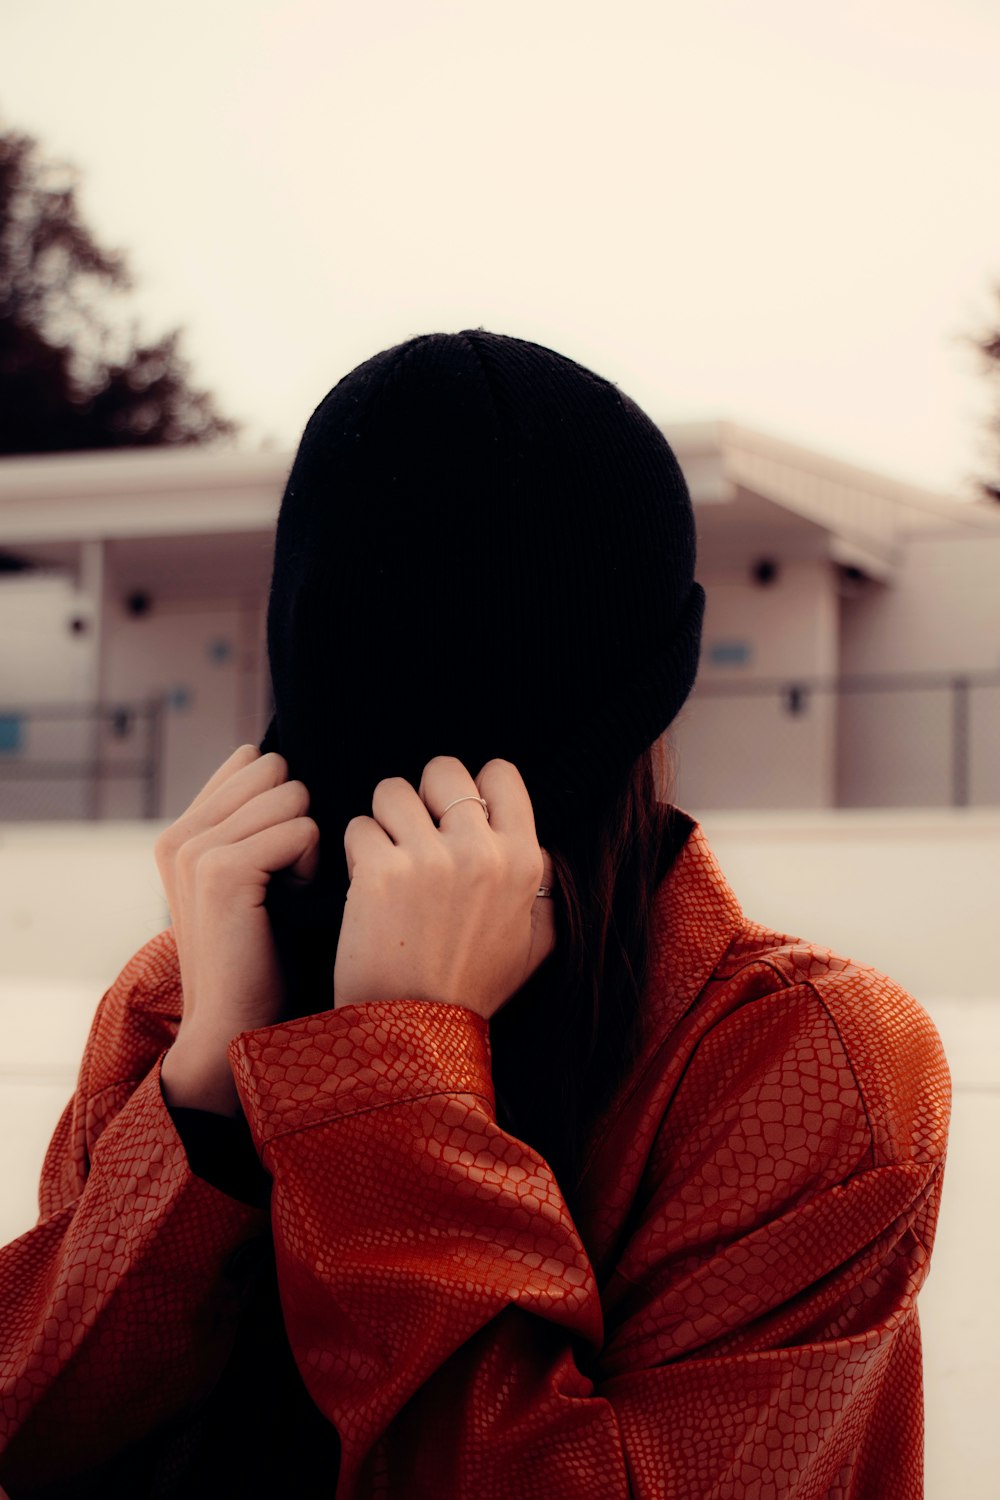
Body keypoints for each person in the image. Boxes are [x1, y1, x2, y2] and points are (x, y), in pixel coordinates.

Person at [0, 330, 950, 1498]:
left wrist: (390, 1078)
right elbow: (37, 1441)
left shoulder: (802, 1059)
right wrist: (205, 1093)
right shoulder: (186, 988)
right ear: (659, 687)